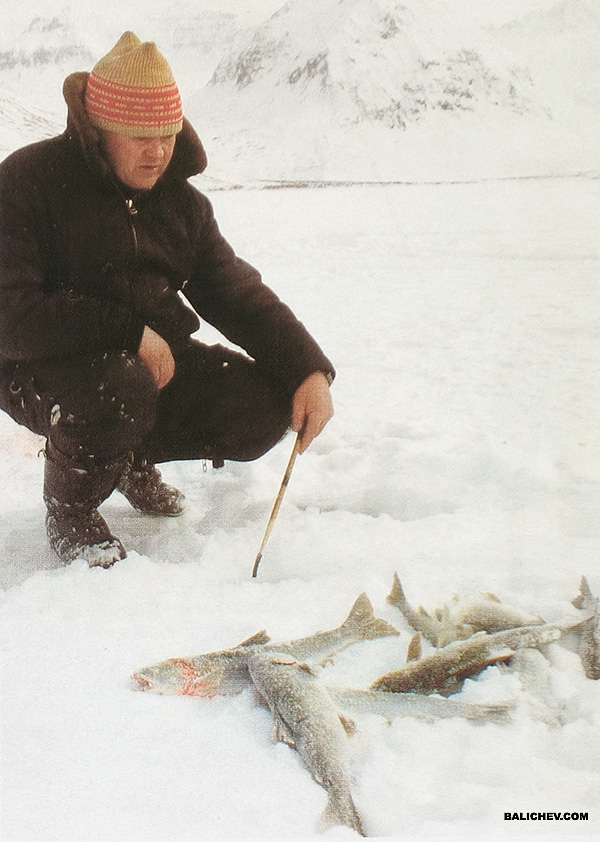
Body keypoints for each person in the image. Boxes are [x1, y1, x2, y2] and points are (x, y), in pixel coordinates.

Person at [0, 32, 334, 569]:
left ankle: (126, 457)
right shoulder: (27, 182)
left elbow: (236, 292)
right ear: (99, 129)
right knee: (117, 384)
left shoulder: (183, 206)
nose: (157, 152)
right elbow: (9, 316)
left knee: (261, 405)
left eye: (166, 133)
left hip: (146, 369)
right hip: (41, 370)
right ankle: (72, 508)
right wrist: (128, 331)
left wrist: (307, 369)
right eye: (138, 135)